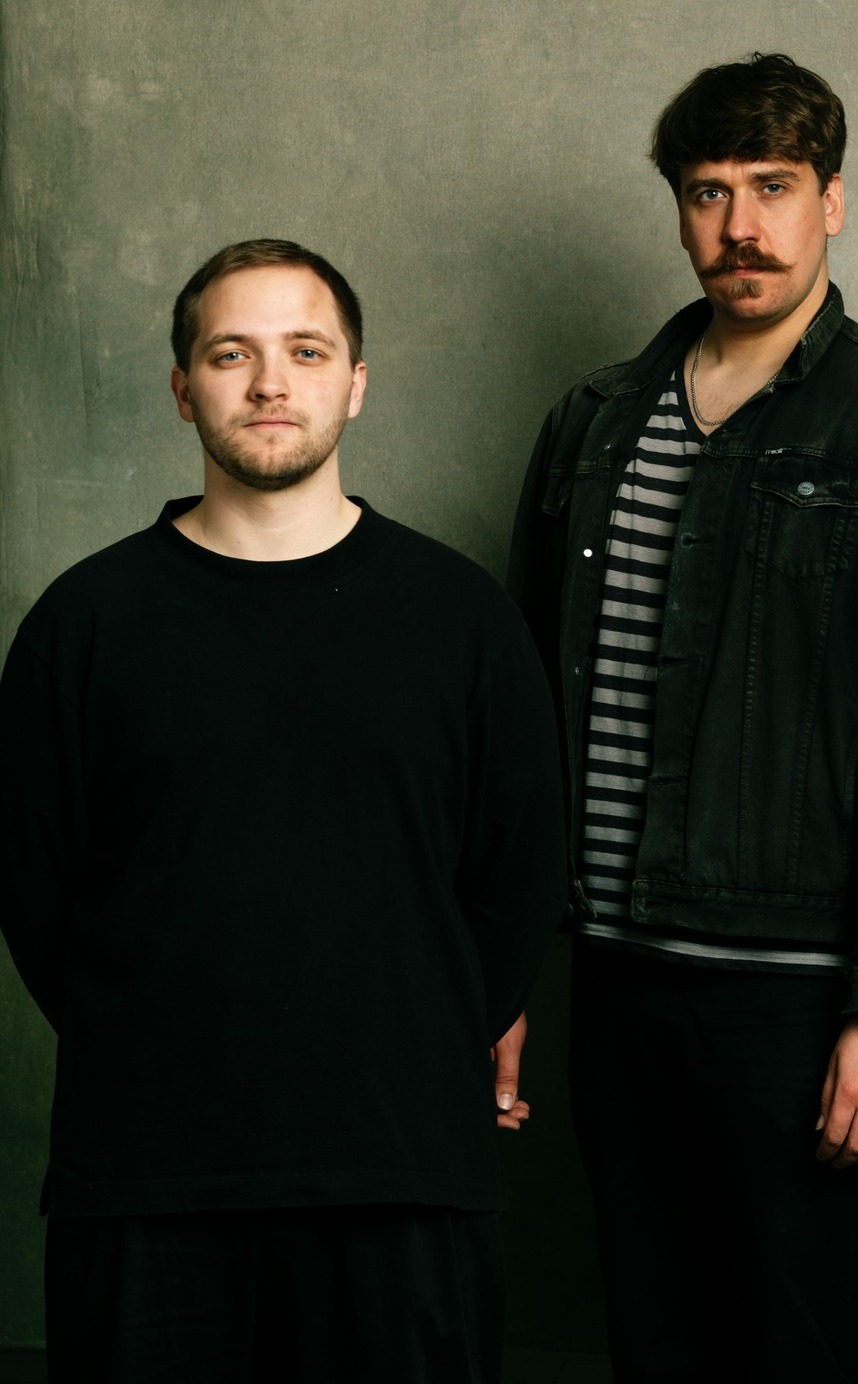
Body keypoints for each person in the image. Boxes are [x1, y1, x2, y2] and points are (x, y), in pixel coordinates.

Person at [504, 53, 858, 1383]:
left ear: (831, 201)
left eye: (773, 187)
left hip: (800, 998)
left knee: (799, 1350)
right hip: (615, 983)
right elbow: (521, 721)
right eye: (708, 192)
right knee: (653, 1341)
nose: (741, 226)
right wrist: (501, 969)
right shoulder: (593, 424)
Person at [0, 238, 565, 1381]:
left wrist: (426, 1034)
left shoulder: (460, 616)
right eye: (231, 354)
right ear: (182, 388)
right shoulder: (85, 621)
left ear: (354, 383)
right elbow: (32, 882)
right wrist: (153, 1031)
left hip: (403, 1169)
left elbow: (519, 872)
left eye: (306, 351)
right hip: (148, 1173)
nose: (269, 382)